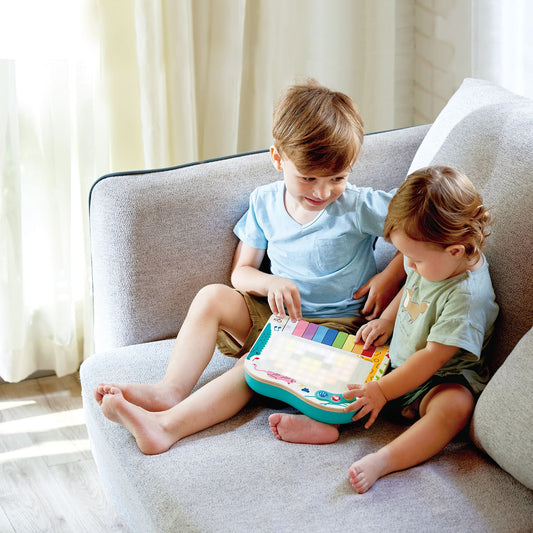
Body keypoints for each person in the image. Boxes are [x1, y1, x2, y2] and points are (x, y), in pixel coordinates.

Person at [94, 80, 405, 455]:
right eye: (308, 178)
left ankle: (165, 428)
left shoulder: (359, 206)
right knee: (212, 297)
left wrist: (389, 276)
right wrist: (270, 283)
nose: (322, 192)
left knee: (255, 363)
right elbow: (241, 273)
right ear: (278, 158)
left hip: (337, 330)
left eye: (337, 178)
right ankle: (169, 391)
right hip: (279, 316)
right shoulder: (265, 202)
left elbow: (423, 235)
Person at [270, 165, 499, 494]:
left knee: (455, 407)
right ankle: (324, 420)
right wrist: (388, 321)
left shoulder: (467, 297)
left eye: (415, 259)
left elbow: (432, 357)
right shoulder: (434, 260)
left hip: (440, 378)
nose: (409, 265)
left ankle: (385, 459)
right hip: (397, 360)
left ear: (455, 250)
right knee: (354, 362)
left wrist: (383, 390)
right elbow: (411, 287)